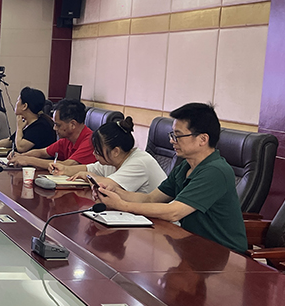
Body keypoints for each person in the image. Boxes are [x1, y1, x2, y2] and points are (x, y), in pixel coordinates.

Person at [95, 102, 248, 253]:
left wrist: (122, 205)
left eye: (178, 136)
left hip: (225, 254)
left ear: (203, 139)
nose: (172, 140)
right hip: (193, 244)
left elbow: (174, 212)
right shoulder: (185, 167)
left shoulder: (215, 171)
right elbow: (151, 199)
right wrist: (115, 192)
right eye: (172, 135)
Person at [49, 116, 167, 194]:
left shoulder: (139, 163)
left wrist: (88, 176)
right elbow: (89, 168)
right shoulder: (114, 160)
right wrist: (64, 169)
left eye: (98, 151)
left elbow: (108, 186)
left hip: (158, 221)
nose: (94, 154)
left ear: (115, 151)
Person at [8, 99, 96, 169]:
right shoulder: (67, 139)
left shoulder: (90, 141)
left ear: (72, 124)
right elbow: (43, 152)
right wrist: (21, 156)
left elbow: (67, 165)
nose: (54, 128)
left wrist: (28, 160)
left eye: (58, 125)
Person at [0, 87, 55, 153]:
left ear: (24, 106)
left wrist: (19, 128)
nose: (16, 103)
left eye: (18, 100)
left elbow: (21, 147)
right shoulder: (27, 122)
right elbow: (10, 141)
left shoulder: (40, 126)